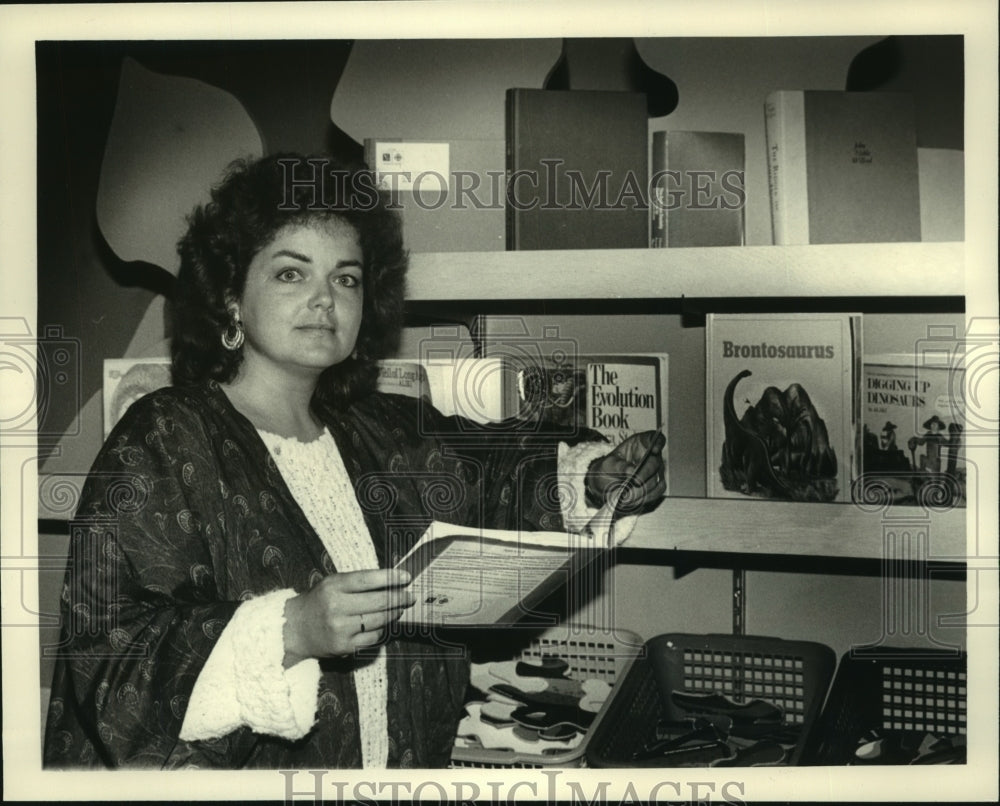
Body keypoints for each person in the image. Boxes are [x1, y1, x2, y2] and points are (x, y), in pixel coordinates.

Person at [43, 153, 666, 770]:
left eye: (346, 278)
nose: (324, 300)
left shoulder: (379, 428)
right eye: (292, 274)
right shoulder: (163, 437)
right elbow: (106, 663)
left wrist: (596, 477)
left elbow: (494, 475)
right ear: (231, 295)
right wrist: (292, 629)